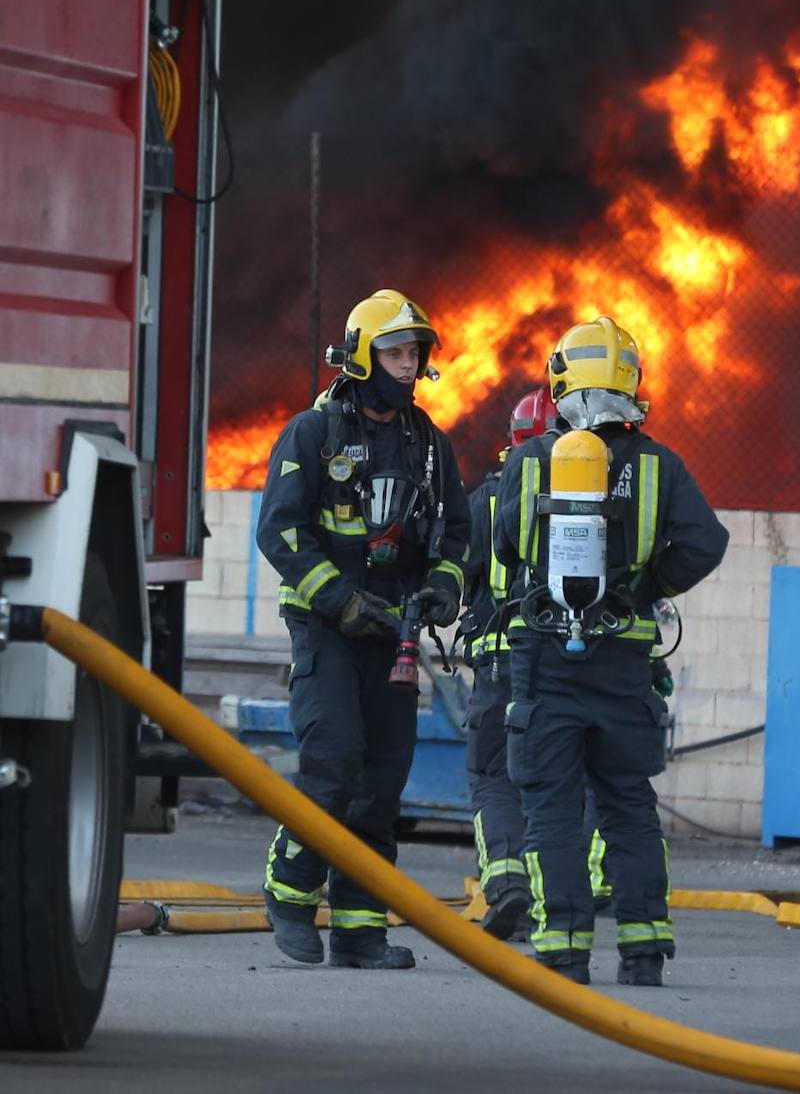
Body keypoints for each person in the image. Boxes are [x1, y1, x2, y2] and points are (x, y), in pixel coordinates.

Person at [494, 316, 729, 987]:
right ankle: (644, 950)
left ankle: (564, 954)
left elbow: (508, 545)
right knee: (627, 805)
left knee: (553, 811)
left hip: (546, 660)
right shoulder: (660, 466)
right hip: (625, 667)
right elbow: (706, 543)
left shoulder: (534, 459)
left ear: (561, 381)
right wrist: (642, 587)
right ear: (631, 382)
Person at [257, 290, 470, 970]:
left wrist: (442, 588)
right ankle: (289, 892)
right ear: (360, 357)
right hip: (327, 629)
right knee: (334, 760)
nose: (410, 365)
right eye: (397, 351)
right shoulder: (313, 434)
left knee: (382, 778)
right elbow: (281, 529)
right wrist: (340, 601)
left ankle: (358, 925)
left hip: (395, 635)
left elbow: (457, 537)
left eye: (415, 353)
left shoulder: (431, 448)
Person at [460, 387, 558, 941]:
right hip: (563, 670)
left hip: (498, 672)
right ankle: (553, 902)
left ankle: (505, 883)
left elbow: (458, 574)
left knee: (493, 778)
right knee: (551, 784)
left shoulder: (485, 502)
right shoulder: (591, 498)